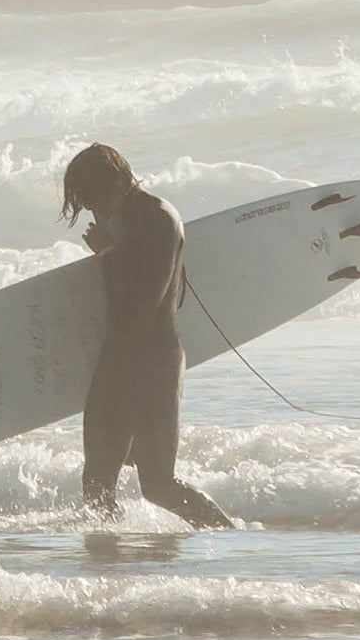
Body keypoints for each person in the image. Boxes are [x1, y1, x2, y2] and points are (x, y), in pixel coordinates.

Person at [61, 143, 234, 529]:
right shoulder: (121, 221)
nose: (95, 211)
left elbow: (145, 301)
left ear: (120, 182)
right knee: (96, 482)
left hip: (153, 363)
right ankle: (110, 565)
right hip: (117, 359)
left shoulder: (159, 219)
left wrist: (107, 253)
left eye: (95, 200)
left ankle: (228, 540)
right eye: (87, 205)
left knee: (158, 485)